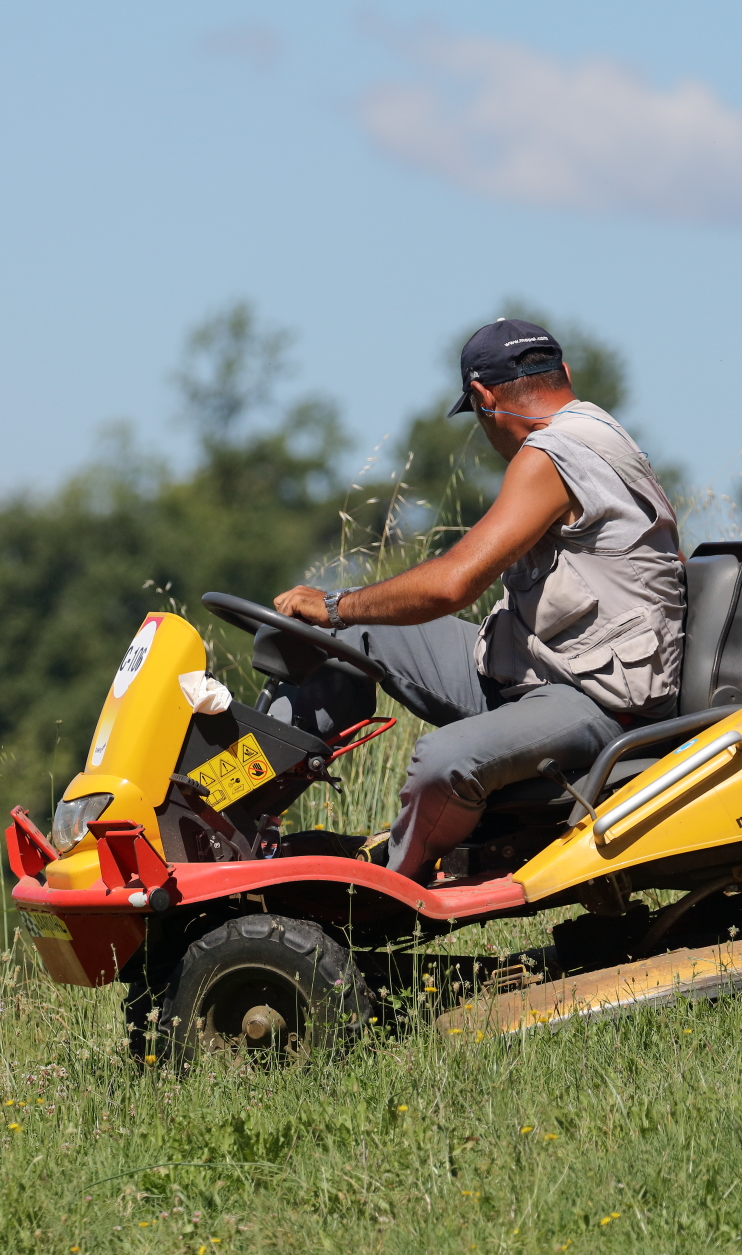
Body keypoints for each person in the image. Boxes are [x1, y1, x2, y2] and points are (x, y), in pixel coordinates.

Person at [272, 317, 685, 881]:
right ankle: (244, 820)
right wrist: (338, 618)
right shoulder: (596, 432)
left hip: (601, 700)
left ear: (484, 397)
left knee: (443, 759)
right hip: (545, 673)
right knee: (343, 635)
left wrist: (336, 603)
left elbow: (452, 584)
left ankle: (389, 883)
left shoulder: (555, 454)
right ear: (563, 372)